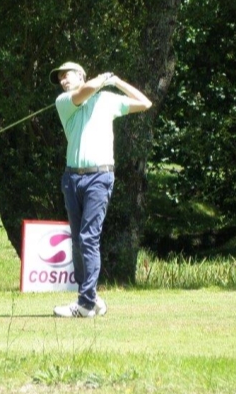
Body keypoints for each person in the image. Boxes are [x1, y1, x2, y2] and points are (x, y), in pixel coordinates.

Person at [49, 61, 153, 318]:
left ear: (81, 75)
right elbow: (84, 93)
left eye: (67, 76)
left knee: (88, 238)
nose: (63, 81)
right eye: (60, 78)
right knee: (77, 241)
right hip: (72, 178)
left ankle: (85, 304)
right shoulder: (64, 101)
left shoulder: (107, 100)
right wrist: (102, 79)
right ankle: (91, 298)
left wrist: (116, 81)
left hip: (100, 177)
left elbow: (144, 102)